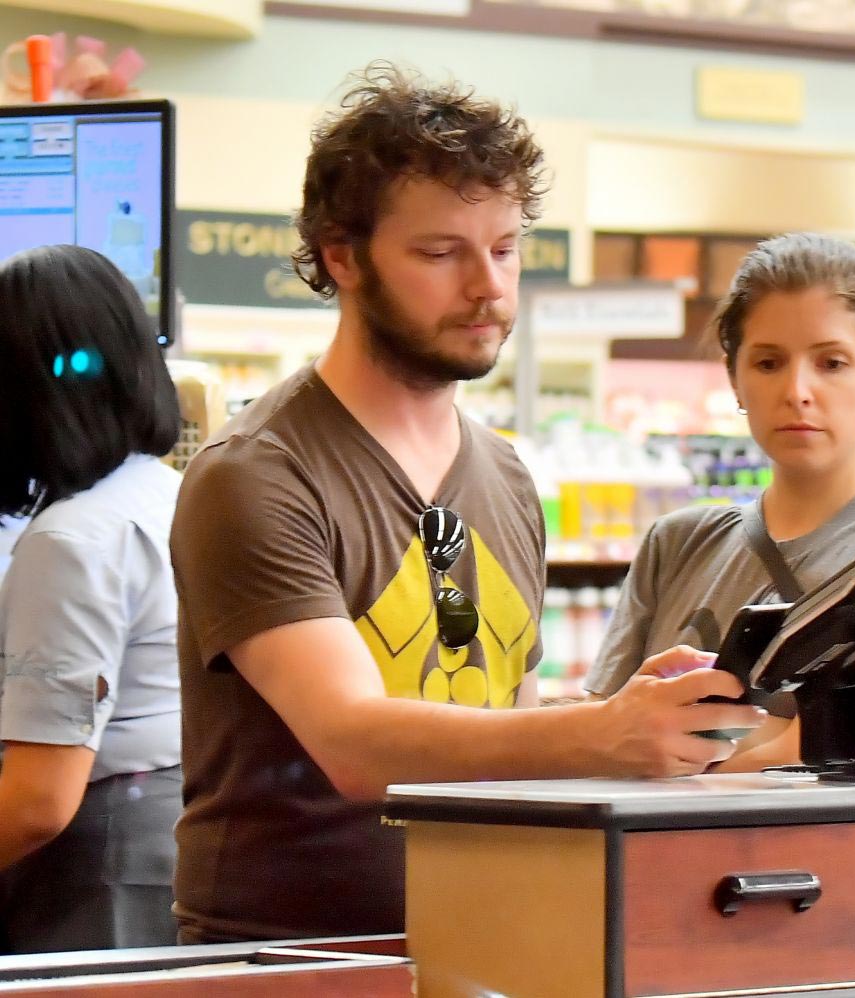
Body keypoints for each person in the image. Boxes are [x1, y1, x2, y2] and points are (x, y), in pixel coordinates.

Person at [169, 63, 763, 945]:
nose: (488, 287)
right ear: (343, 257)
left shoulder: (507, 476)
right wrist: (599, 735)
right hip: (294, 957)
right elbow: (356, 742)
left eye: (506, 247)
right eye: (442, 253)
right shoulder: (257, 474)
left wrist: (627, 719)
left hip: (482, 927)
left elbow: (499, 729)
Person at [585, 232, 855, 772]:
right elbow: (604, 733)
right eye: (768, 363)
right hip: (641, 853)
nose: (797, 390)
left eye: (832, 363)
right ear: (735, 380)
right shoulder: (678, 545)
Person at [0, 244, 183, 953]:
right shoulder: (173, 495)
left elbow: (39, 801)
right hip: (167, 847)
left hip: (98, 865)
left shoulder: (70, 542)